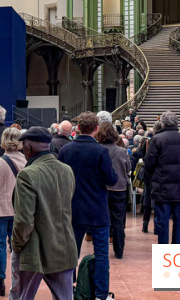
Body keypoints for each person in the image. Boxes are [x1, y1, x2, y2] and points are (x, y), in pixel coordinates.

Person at [10, 127, 77, 300]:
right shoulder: (67, 170)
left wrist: (16, 246)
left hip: (34, 251)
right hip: (65, 246)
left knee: (21, 296)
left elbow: (24, 220)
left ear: (28, 149)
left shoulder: (27, 174)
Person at [58, 112, 117, 300]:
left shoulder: (66, 151)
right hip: (97, 208)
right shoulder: (101, 151)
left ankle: (68, 289)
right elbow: (111, 180)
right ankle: (101, 294)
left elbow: (60, 179)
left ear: (77, 128)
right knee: (101, 255)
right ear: (96, 128)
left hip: (73, 208)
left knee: (70, 254)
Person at [143, 111, 180, 245]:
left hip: (162, 184)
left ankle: (163, 248)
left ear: (162, 123)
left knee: (162, 220)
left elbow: (149, 162)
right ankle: (176, 248)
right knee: (178, 220)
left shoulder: (157, 139)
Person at [0, 127, 25, 296]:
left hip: (1, 209)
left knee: (0, 245)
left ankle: (0, 281)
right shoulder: (26, 161)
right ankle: (18, 283)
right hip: (20, 210)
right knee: (17, 247)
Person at [95, 121, 131, 259]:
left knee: (102, 220)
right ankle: (119, 250)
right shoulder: (122, 151)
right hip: (119, 188)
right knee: (118, 221)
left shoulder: (97, 150)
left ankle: (101, 250)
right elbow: (128, 168)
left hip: (102, 188)